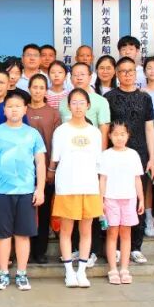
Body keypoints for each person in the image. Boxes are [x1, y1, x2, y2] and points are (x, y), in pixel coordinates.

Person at [0, 93, 46, 291]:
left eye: (18, 106)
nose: (14, 109)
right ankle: (3, 274)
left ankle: (21, 274)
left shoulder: (32, 134)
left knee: (23, 235)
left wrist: (40, 188)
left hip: (26, 191)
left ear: (25, 109)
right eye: (10, 106)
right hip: (2, 190)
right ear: (4, 110)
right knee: (3, 235)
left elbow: (40, 162)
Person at [50, 88, 103, 288]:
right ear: (68, 106)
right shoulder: (61, 131)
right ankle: (69, 272)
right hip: (67, 186)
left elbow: (98, 162)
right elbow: (55, 159)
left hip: (89, 186)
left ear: (88, 105)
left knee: (86, 230)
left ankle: (81, 271)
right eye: (74, 103)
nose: (78, 106)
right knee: (66, 230)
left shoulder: (94, 132)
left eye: (82, 103)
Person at [104, 57, 154, 256]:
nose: (127, 75)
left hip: (139, 154)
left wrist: (152, 157)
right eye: (123, 71)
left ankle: (135, 246)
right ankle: (115, 247)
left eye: (131, 71)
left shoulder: (145, 98)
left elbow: (149, 128)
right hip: (115, 155)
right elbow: (106, 128)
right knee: (113, 198)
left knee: (136, 197)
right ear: (117, 74)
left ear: (136, 74)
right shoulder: (109, 97)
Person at [99, 121, 146, 285]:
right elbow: (102, 179)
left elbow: (137, 179)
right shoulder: (106, 155)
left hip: (129, 198)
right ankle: (112, 269)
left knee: (126, 234)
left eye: (122, 134)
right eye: (115, 134)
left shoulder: (133, 154)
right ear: (109, 136)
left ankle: (125, 269)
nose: (119, 138)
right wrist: (101, 200)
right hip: (111, 198)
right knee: (112, 233)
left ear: (128, 135)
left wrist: (141, 199)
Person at [25, 74, 61, 264]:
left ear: (46, 91)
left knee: (44, 211)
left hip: (46, 168)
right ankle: (25, 249)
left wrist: (51, 169)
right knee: (25, 211)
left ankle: (40, 251)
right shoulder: (22, 110)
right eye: (34, 87)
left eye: (41, 87)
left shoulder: (53, 113)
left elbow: (57, 144)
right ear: (29, 89)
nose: (37, 91)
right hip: (24, 171)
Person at [59, 63, 111, 146]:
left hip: (91, 148)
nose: (79, 78)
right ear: (71, 79)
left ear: (90, 77)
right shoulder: (63, 101)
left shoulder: (101, 101)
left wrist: (102, 152)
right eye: (75, 75)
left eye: (82, 74)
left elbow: (104, 132)